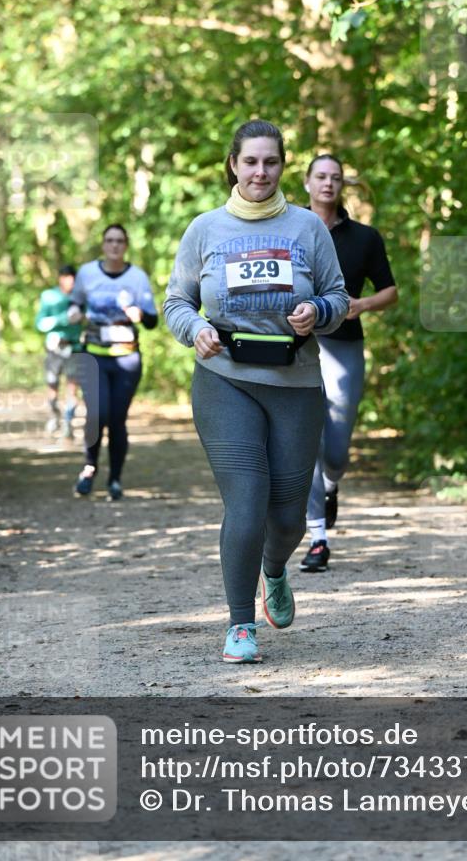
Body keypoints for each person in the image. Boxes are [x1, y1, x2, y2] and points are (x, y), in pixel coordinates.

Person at [164, 119, 348, 664]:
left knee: (288, 516)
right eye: (250, 162)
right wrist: (193, 329)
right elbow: (176, 301)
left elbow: (339, 299)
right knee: (246, 502)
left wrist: (317, 311)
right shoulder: (205, 229)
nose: (260, 172)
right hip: (225, 380)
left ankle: (274, 568)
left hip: (296, 383)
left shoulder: (307, 229)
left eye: (270, 162)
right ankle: (240, 624)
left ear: (282, 166)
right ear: (233, 165)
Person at [300, 154, 397, 572]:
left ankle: (332, 482)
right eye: (320, 177)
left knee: (336, 450)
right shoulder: (289, 229)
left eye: (335, 178)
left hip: (343, 347)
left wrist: (362, 304)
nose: (327, 184)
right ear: (306, 183)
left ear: (343, 186)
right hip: (297, 348)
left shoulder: (364, 237)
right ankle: (317, 538)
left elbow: (390, 291)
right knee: (305, 442)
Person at [68, 224, 158, 500]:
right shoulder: (87, 273)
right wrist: (73, 312)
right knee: (97, 415)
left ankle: (115, 480)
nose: (115, 245)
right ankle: (89, 467)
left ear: (126, 245)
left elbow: (153, 321)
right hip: (93, 355)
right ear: (103, 245)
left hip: (127, 358)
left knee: (117, 420)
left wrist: (139, 315)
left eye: (120, 241)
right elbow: (75, 303)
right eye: (110, 240)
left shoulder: (138, 277)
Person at [35, 265, 83, 438]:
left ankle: (68, 422)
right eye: (66, 277)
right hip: (54, 349)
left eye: (72, 277)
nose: (69, 281)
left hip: (75, 348)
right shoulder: (49, 296)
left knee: (72, 388)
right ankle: (54, 415)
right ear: (60, 278)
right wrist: (63, 319)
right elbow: (40, 324)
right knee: (52, 385)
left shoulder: (80, 298)